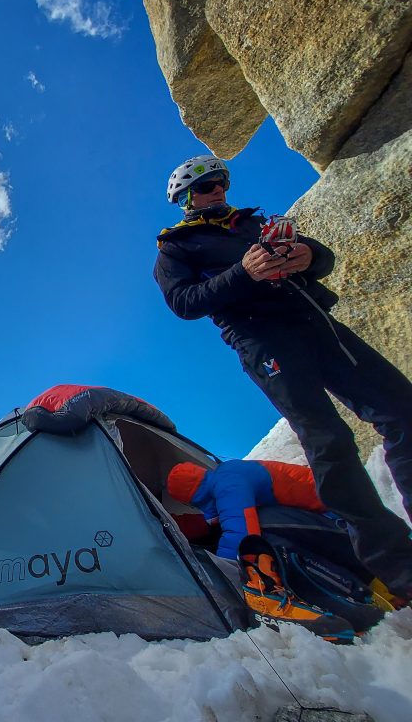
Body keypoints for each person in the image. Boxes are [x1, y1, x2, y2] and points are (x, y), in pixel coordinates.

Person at [154, 155, 412, 602]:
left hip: (317, 325)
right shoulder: (176, 247)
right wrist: (244, 272)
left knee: (402, 411)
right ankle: (397, 568)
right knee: (328, 442)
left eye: (221, 182)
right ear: (186, 198)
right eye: (207, 186)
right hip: (263, 342)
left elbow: (322, 258)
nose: (218, 190)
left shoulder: (253, 225)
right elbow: (184, 302)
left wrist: (309, 255)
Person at [167, 459, 326, 560]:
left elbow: (242, 536)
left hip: (324, 499)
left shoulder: (229, 484)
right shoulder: (222, 477)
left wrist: (225, 571)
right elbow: (219, 516)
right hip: (313, 499)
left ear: (192, 498)